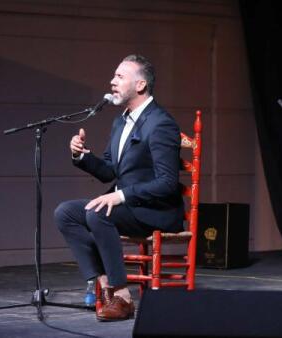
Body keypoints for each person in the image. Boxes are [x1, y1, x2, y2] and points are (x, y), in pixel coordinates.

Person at [54, 54, 183, 321]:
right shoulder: (121, 121)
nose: (112, 82)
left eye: (119, 77)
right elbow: (111, 171)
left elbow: (168, 183)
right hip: (128, 205)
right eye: (113, 76)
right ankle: (104, 284)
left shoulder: (161, 123)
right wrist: (82, 156)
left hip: (154, 210)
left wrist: (121, 195)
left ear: (140, 85)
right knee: (65, 213)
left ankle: (122, 296)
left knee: (98, 212)